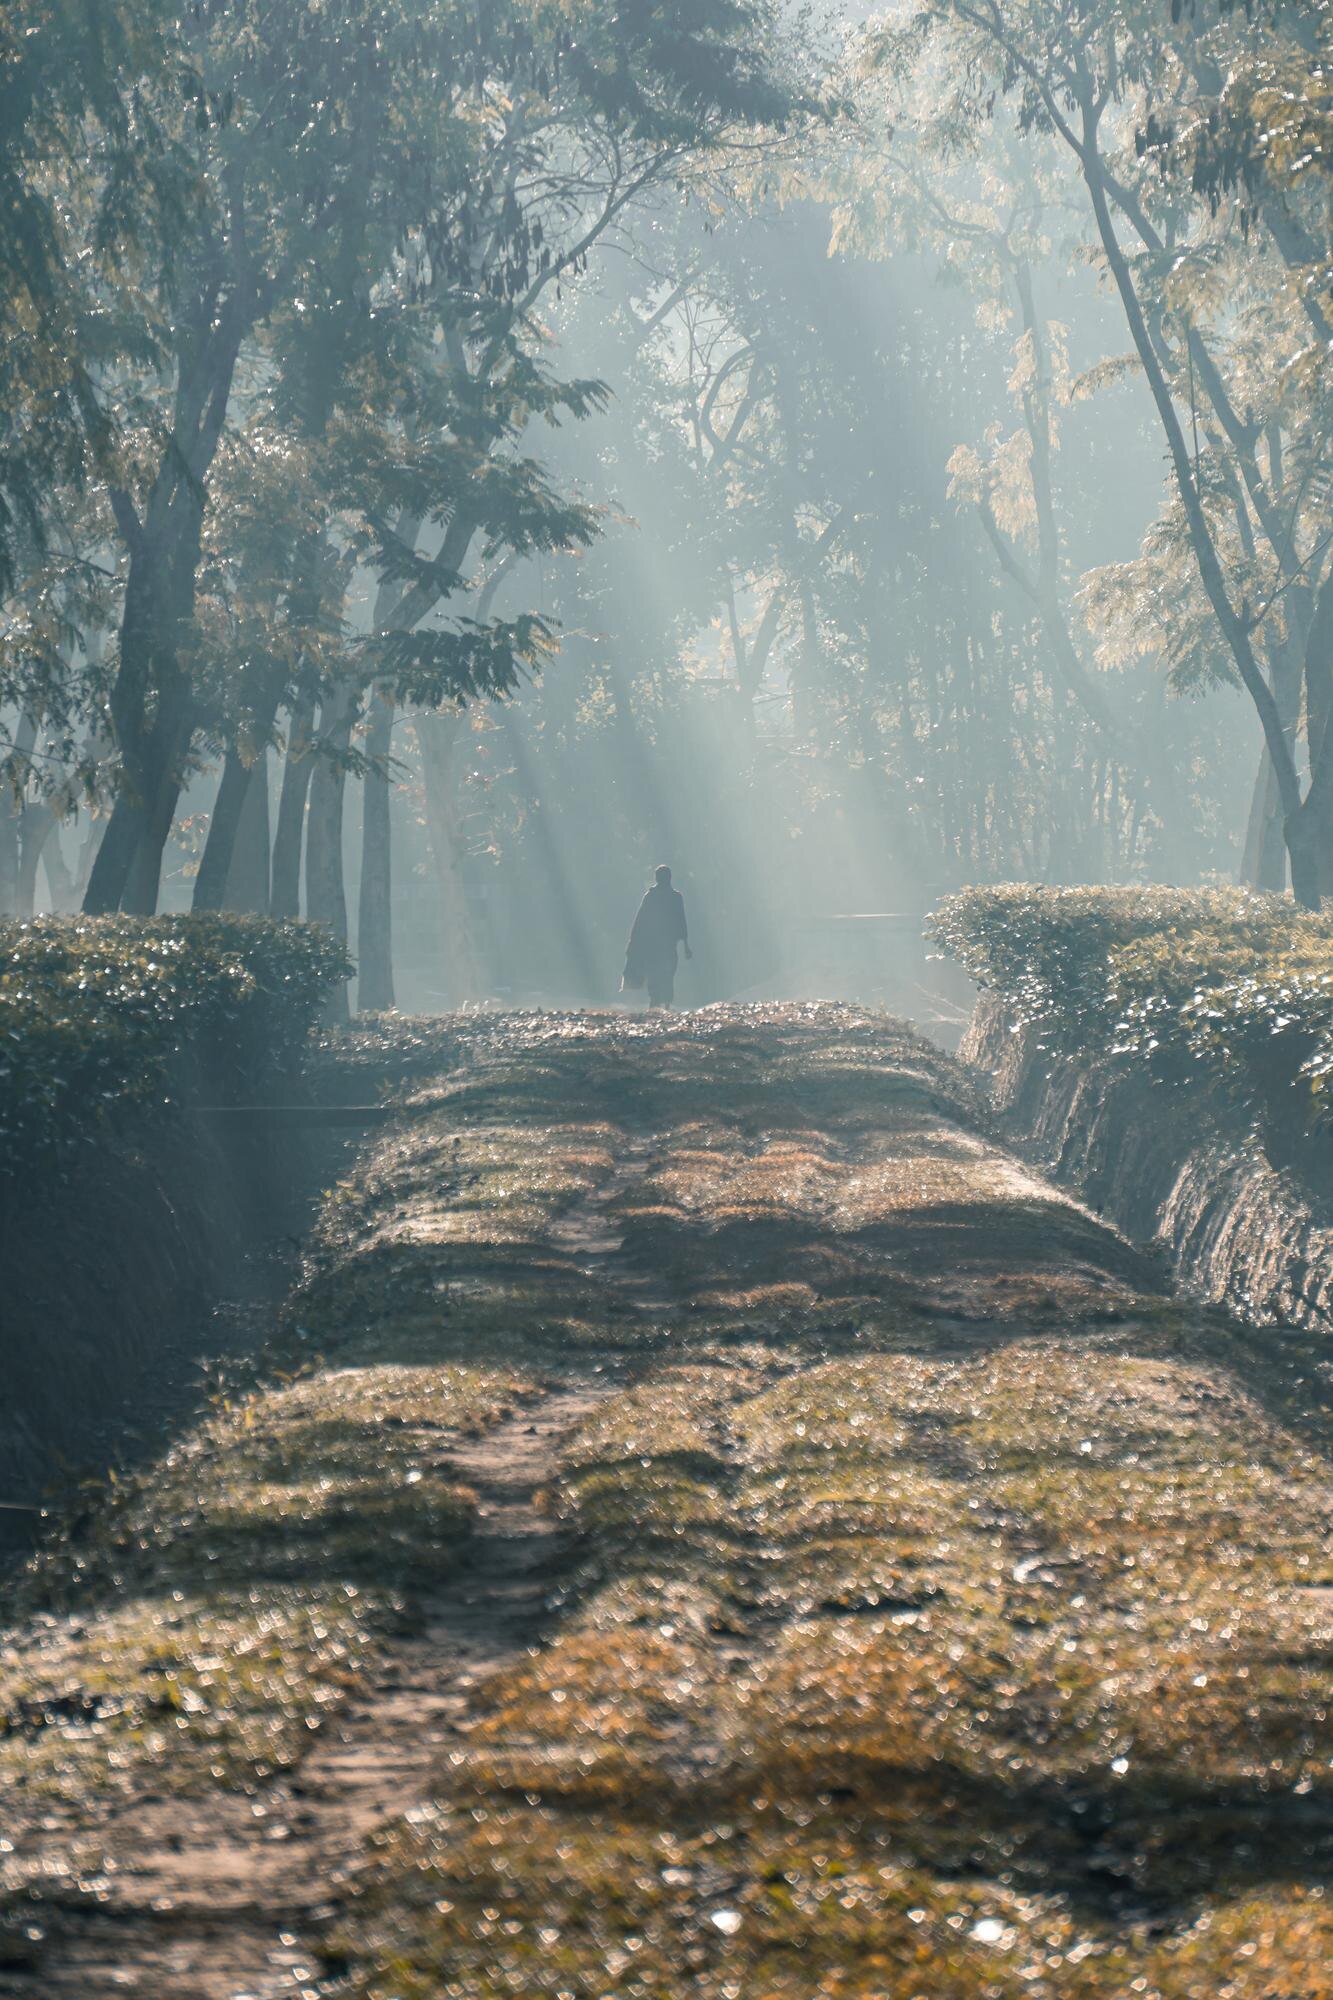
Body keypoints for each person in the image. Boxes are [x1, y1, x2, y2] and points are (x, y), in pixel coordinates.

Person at [622, 864, 692, 1008]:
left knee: (657, 973)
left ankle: (657, 1003)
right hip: (666, 944)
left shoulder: (652, 896)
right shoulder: (675, 897)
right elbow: (681, 920)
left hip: (655, 945)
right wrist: (685, 945)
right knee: (666, 973)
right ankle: (663, 1003)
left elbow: (640, 920)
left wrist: (633, 941)